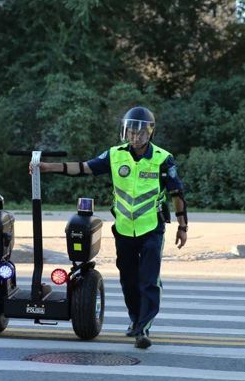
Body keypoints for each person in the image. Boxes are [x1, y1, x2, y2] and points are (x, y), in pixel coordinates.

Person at [34, 106, 188, 349]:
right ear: (125, 132)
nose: (135, 137)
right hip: (124, 229)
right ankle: (135, 320)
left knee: (148, 280)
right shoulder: (114, 155)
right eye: (131, 132)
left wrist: (182, 226)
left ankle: (144, 328)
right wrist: (48, 167)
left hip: (152, 228)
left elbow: (177, 193)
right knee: (128, 280)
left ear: (150, 134)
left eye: (141, 133)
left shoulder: (162, 158)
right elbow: (84, 167)